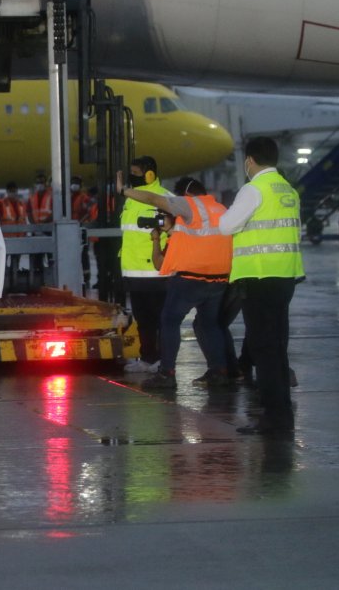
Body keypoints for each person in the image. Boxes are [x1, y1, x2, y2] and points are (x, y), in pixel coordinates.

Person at [218, 137, 304, 436]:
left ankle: (273, 417)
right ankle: (282, 414)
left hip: (258, 277)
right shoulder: (287, 189)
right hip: (284, 276)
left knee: (263, 348)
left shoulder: (254, 189)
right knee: (277, 347)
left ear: (249, 160)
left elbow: (226, 226)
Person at [118, 176, 232, 389]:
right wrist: (171, 231)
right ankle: (219, 371)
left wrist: (124, 191)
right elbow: (201, 238)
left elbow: (154, 199)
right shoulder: (219, 208)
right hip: (218, 278)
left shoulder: (190, 203)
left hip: (191, 278)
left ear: (185, 195)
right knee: (210, 324)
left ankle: (167, 373)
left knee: (169, 321)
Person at [119, 156, 172, 373]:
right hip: (134, 272)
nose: (133, 178)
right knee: (143, 320)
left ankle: (162, 360)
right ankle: (148, 358)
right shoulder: (131, 199)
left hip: (156, 271)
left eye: (137, 174)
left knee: (160, 320)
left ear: (150, 174)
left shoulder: (166, 198)